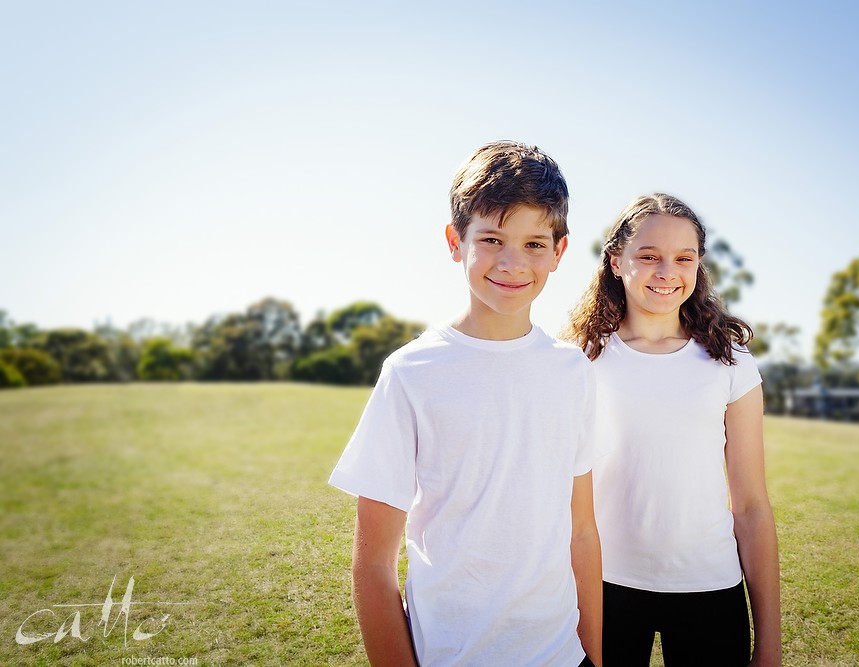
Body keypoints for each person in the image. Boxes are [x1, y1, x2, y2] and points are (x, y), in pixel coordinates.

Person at [329, 141, 603, 667]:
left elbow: (583, 532)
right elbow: (374, 567)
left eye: (533, 244)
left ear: (560, 251)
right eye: (492, 239)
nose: (512, 262)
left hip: (561, 655)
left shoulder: (572, 373)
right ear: (456, 241)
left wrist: (593, 654)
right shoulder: (411, 373)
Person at [563, 193, 781, 666]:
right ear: (617, 261)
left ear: (698, 266)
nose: (668, 272)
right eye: (649, 256)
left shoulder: (731, 363)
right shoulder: (579, 359)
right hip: (604, 587)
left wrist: (770, 643)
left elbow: (751, 506)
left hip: (710, 586)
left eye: (684, 258)